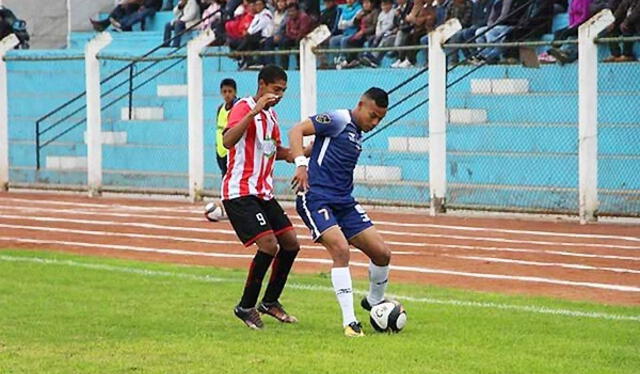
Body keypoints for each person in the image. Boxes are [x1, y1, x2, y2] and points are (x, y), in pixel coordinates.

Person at [288, 87, 392, 337]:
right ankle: (350, 322)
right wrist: (300, 164)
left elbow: (321, 147)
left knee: (382, 254)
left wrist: (303, 153)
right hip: (316, 198)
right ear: (361, 104)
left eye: (380, 118)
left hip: (344, 201)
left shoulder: (355, 132)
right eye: (373, 115)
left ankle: (374, 302)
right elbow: (296, 130)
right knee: (341, 250)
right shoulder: (338, 119)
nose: (375, 122)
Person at [222, 65, 302, 329]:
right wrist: (254, 111)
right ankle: (246, 307)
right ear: (262, 85)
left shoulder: (273, 117)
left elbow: (272, 150)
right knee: (269, 245)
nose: (279, 95)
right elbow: (228, 141)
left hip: (263, 193)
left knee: (290, 244)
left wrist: (298, 153)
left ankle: (269, 302)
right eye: (275, 89)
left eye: (283, 91)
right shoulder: (243, 107)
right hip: (240, 191)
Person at [205, 78, 239, 223]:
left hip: (232, 151)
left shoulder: (238, 107)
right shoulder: (220, 108)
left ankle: (235, 208)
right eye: (224, 91)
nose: (227, 95)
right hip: (220, 150)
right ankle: (228, 207)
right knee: (224, 179)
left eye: (230, 91)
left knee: (233, 181)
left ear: (235, 92)